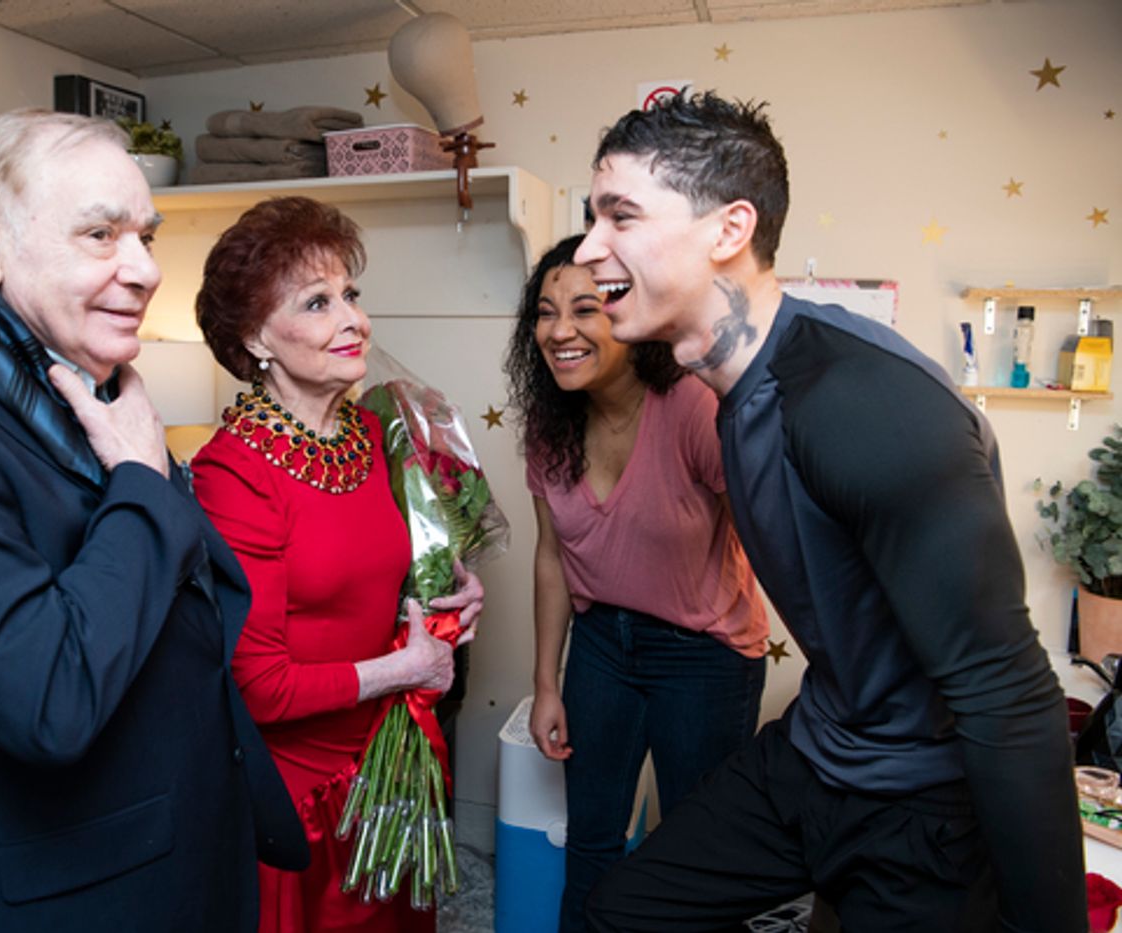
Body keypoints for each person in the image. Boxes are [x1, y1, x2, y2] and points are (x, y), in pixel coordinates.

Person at [573, 92, 1086, 932]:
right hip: (818, 750)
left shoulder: (859, 403)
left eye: (620, 216)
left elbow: (1007, 690)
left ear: (729, 231)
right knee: (622, 911)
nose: (591, 248)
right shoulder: (725, 383)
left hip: (927, 805)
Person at [0, 109, 306, 933]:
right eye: (101, 233)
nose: (145, 268)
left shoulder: (88, 386)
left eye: (146, 236)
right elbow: (46, 699)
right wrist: (139, 478)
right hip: (68, 897)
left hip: (188, 855)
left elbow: (195, 608)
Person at [191, 195, 484, 933]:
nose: (353, 318)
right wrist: (408, 668)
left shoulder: (370, 431)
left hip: (383, 767)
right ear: (257, 336)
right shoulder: (233, 473)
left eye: (350, 294)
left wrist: (447, 596)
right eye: (317, 303)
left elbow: (378, 585)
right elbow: (260, 687)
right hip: (298, 801)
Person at [503, 233, 769, 933]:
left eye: (585, 309)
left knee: (697, 857)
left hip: (704, 655)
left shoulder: (693, 408)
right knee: (590, 841)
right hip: (599, 648)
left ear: (629, 312)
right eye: (546, 311)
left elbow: (773, 539)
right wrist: (548, 683)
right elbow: (551, 557)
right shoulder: (548, 423)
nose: (560, 331)